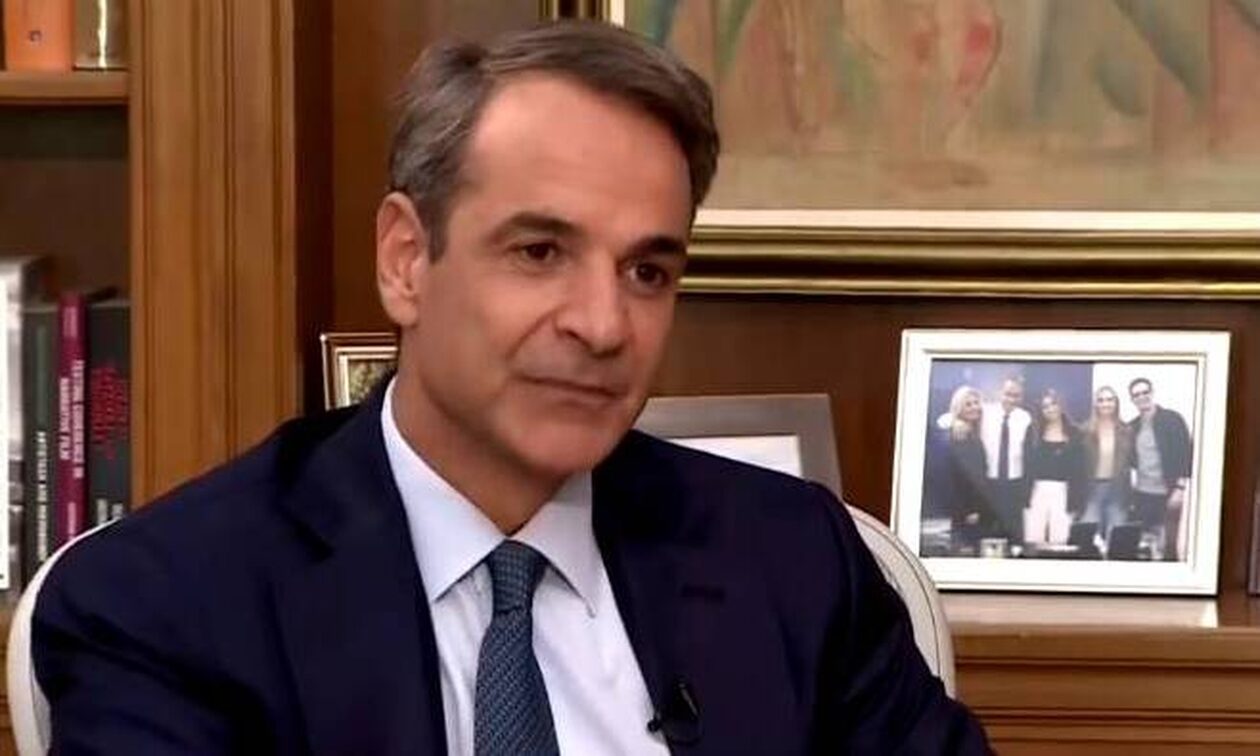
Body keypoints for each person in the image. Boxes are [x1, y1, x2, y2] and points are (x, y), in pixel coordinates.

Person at [31, 20, 988, 755]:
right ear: (407, 261)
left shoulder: (792, 562)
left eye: (647, 271)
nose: (603, 325)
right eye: (539, 252)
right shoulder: (172, 603)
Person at [1127, 377, 1193, 561]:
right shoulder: (1132, 426)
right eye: (1136, 395)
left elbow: (1185, 454)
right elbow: (1131, 461)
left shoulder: (1172, 419)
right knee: (1146, 545)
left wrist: (1180, 488)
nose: (1142, 397)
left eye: (1145, 392)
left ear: (1152, 392)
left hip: (1169, 493)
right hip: (1143, 494)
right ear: (1132, 399)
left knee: (1169, 545)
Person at [1023, 389, 1086, 549]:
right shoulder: (1033, 431)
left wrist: (1076, 502)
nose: (1050, 409)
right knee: (1033, 537)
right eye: (1045, 406)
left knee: (1060, 539)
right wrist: (1025, 496)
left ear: (1061, 405)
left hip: (1064, 490)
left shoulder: (1075, 433)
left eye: (1053, 404)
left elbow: (1080, 471)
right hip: (1037, 489)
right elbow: (1026, 465)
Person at [978, 376, 1033, 546]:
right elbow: (947, 419)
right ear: (999, 392)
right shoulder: (985, 412)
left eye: (1016, 395)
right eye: (1008, 394)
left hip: (1014, 482)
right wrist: (957, 424)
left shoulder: (1025, 418)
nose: (1011, 399)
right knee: (988, 530)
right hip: (989, 480)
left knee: (1013, 531)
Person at [936, 385, 991, 555]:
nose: (975, 407)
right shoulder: (960, 435)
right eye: (968, 404)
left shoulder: (971, 432)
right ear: (959, 408)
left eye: (976, 402)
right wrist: (969, 510)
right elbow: (961, 477)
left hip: (972, 508)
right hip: (966, 510)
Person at [1080, 385, 1134, 545]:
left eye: (1110, 400)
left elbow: (1132, 461)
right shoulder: (1084, 430)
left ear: (1116, 403)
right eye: (1101, 400)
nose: (1105, 404)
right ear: (1095, 404)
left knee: (1117, 538)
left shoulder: (1127, 430)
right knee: (1087, 538)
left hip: (1117, 490)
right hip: (1091, 490)